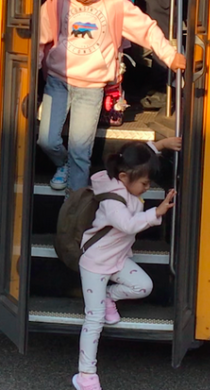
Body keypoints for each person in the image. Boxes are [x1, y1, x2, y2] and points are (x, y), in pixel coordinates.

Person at [38, 0, 185, 192]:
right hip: (58, 81)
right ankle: (61, 163)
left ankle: (74, 205)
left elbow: (146, 30)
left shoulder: (115, 4)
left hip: (92, 86)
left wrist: (170, 55)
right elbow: (40, 38)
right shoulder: (57, 2)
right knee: (47, 140)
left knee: (80, 151)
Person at [72, 140, 178, 390]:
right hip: (95, 264)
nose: (146, 187)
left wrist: (161, 144)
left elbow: (137, 156)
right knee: (94, 319)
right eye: (144, 183)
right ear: (123, 177)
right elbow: (128, 225)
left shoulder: (125, 179)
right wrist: (157, 212)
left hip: (117, 260)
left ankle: (110, 297)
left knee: (143, 286)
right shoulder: (113, 201)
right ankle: (85, 374)